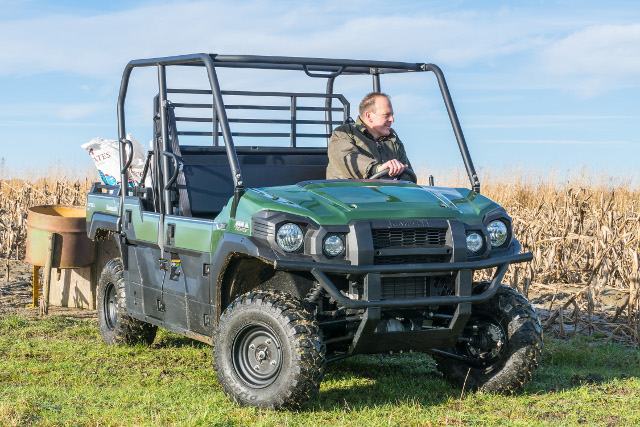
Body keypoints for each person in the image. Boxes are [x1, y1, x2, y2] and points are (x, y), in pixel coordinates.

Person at [326, 92, 414, 181]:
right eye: (386, 115)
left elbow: (408, 175)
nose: (392, 119)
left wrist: (404, 176)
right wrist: (376, 169)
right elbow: (348, 159)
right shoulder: (343, 133)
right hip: (348, 189)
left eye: (392, 115)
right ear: (369, 116)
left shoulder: (393, 140)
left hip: (385, 189)